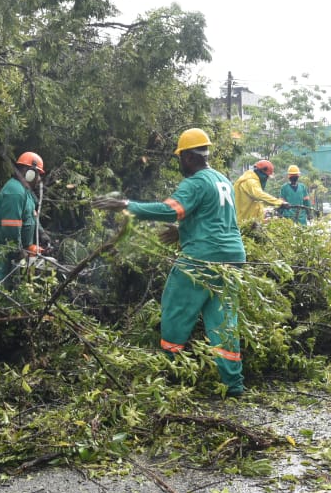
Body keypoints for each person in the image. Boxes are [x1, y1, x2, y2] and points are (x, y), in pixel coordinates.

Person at [93, 128, 246, 397]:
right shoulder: (223, 179)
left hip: (201, 259)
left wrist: (127, 205)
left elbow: (168, 210)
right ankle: (233, 385)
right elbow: (218, 219)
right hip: (233, 260)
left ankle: (171, 377)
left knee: (175, 310)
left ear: (187, 156)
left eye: (180, 158)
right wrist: (182, 231)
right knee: (224, 322)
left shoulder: (196, 182)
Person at [0, 151, 45, 288]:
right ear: (29, 172)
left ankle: (6, 304)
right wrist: (19, 249)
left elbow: (32, 215)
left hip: (13, 248)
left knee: (13, 282)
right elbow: (11, 226)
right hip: (2, 247)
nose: (39, 180)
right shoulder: (15, 192)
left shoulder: (25, 192)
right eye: (38, 175)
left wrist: (42, 233)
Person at [233, 159, 284, 228]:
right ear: (261, 172)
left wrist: (264, 219)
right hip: (242, 223)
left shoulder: (254, 182)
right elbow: (259, 195)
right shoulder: (250, 181)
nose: (267, 179)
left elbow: (256, 204)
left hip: (250, 224)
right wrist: (279, 202)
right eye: (267, 176)